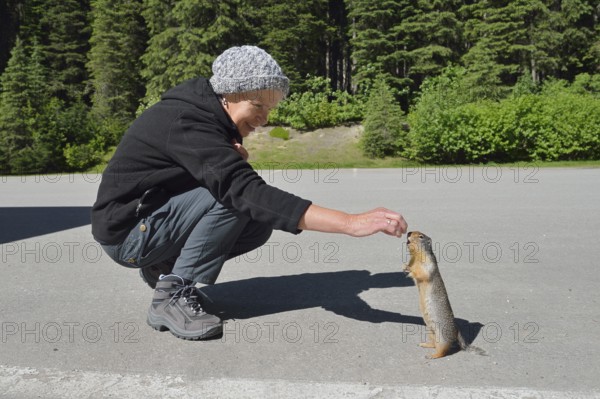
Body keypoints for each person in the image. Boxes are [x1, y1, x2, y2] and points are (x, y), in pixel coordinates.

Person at [91, 45, 408, 341]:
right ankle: (171, 296)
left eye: (269, 109)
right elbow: (243, 191)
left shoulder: (204, 116)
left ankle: (164, 268)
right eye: (258, 106)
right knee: (238, 201)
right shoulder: (188, 121)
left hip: (147, 219)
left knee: (255, 224)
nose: (264, 119)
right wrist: (350, 223)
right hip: (127, 235)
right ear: (229, 94)